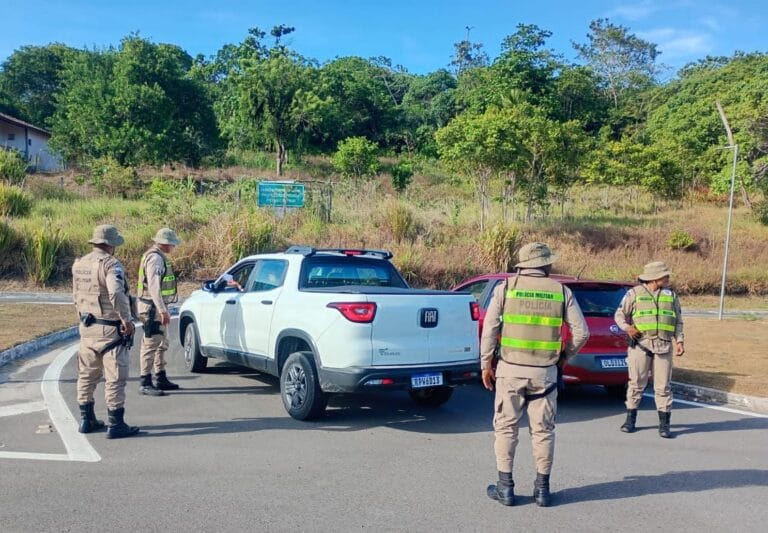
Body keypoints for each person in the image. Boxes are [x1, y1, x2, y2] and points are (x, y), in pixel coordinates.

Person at [482, 242, 589, 507]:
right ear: (546, 265)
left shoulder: (506, 288)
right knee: (543, 431)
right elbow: (582, 332)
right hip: (545, 373)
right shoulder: (561, 291)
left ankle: (505, 488)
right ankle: (542, 490)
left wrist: (486, 364)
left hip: (509, 370)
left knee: (506, 428)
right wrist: (564, 357)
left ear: (522, 265)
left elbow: (489, 328)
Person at [72, 224, 139, 439]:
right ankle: (116, 423)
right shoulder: (111, 265)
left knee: (86, 375)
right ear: (110, 245)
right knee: (115, 378)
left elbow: (76, 296)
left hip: (87, 327)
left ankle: (86, 419)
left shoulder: (80, 264)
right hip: (110, 329)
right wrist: (126, 320)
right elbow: (116, 293)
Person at [614, 261, 684, 438]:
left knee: (663, 387)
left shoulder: (671, 296)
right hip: (641, 346)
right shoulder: (634, 293)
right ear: (654, 278)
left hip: (664, 346)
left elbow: (678, 321)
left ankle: (664, 425)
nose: (668, 278)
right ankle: (630, 420)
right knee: (636, 384)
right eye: (665, 276)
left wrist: (680, 341)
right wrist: (628, 328)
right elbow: (619, 314)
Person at [136, 228, 181, 396]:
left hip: (155, 307)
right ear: (164, 243)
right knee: (150, 345)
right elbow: (154, 287)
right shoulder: (155, 258)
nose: (173, 247)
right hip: (152, 308)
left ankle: (160, 376)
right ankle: (145, 382)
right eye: (172, 244)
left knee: (162, 343)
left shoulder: (157, 256)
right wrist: (162, 310)